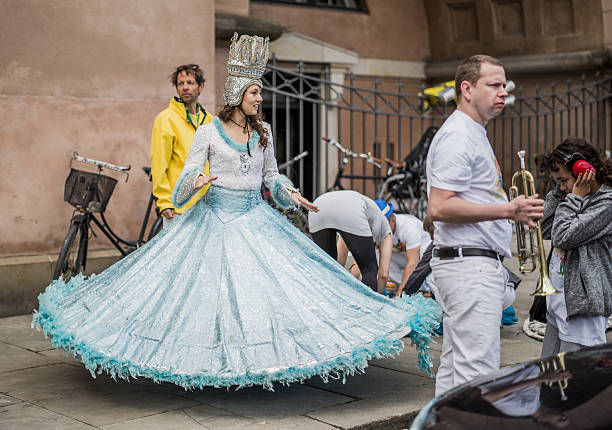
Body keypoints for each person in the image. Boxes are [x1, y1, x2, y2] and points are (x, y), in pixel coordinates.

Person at [33, 33, 441, 390]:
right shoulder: (209, 131)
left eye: (261, 92)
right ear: (236, 96)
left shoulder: (263, 133)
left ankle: (262, 361)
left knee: (266, 295)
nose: (261, 99)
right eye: (254, 92)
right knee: (202, 296)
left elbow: (273, 180)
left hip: (256, 221)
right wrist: (195, 183)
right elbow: (182, 180)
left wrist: (291, 193)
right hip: (210, 220)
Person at [426, 54, 544, 397]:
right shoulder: (459, 136)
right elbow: (439, 206)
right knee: (477, 377)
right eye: (493, 85)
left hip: (470, 264)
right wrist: (509, 210)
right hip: (469, 267)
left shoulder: (472, 132)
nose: (502, 93)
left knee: (457, 374)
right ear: (466, 88)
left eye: (503, 86)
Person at [540, 137, 612, 357]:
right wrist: (562, 192)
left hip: (582, 308)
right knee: (548, 374)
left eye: (563, 180)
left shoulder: (606, 204)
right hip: (559, 302)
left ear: (584, 173)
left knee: (573, 381)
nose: (562, 187)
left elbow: (562, 236)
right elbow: (544, 228)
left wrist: (572, 198)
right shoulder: (573, 196)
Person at [151, 64, 213, 227]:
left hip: (207, 207)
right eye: (180, 83)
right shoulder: (165, 119)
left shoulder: (210, 121)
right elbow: (159, 163)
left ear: (201, 87)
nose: (185, 87)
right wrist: (164, 201)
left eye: (190, 82)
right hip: (178, 206)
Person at [308, 190, 393, 293]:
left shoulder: (359, 223)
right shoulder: (386, 232)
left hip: (317, 206)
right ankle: (371, 307)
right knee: (369, 270)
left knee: (328, 268)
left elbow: (339, 262)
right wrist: (379, 299)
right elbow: (384, 275)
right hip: (350, 209)